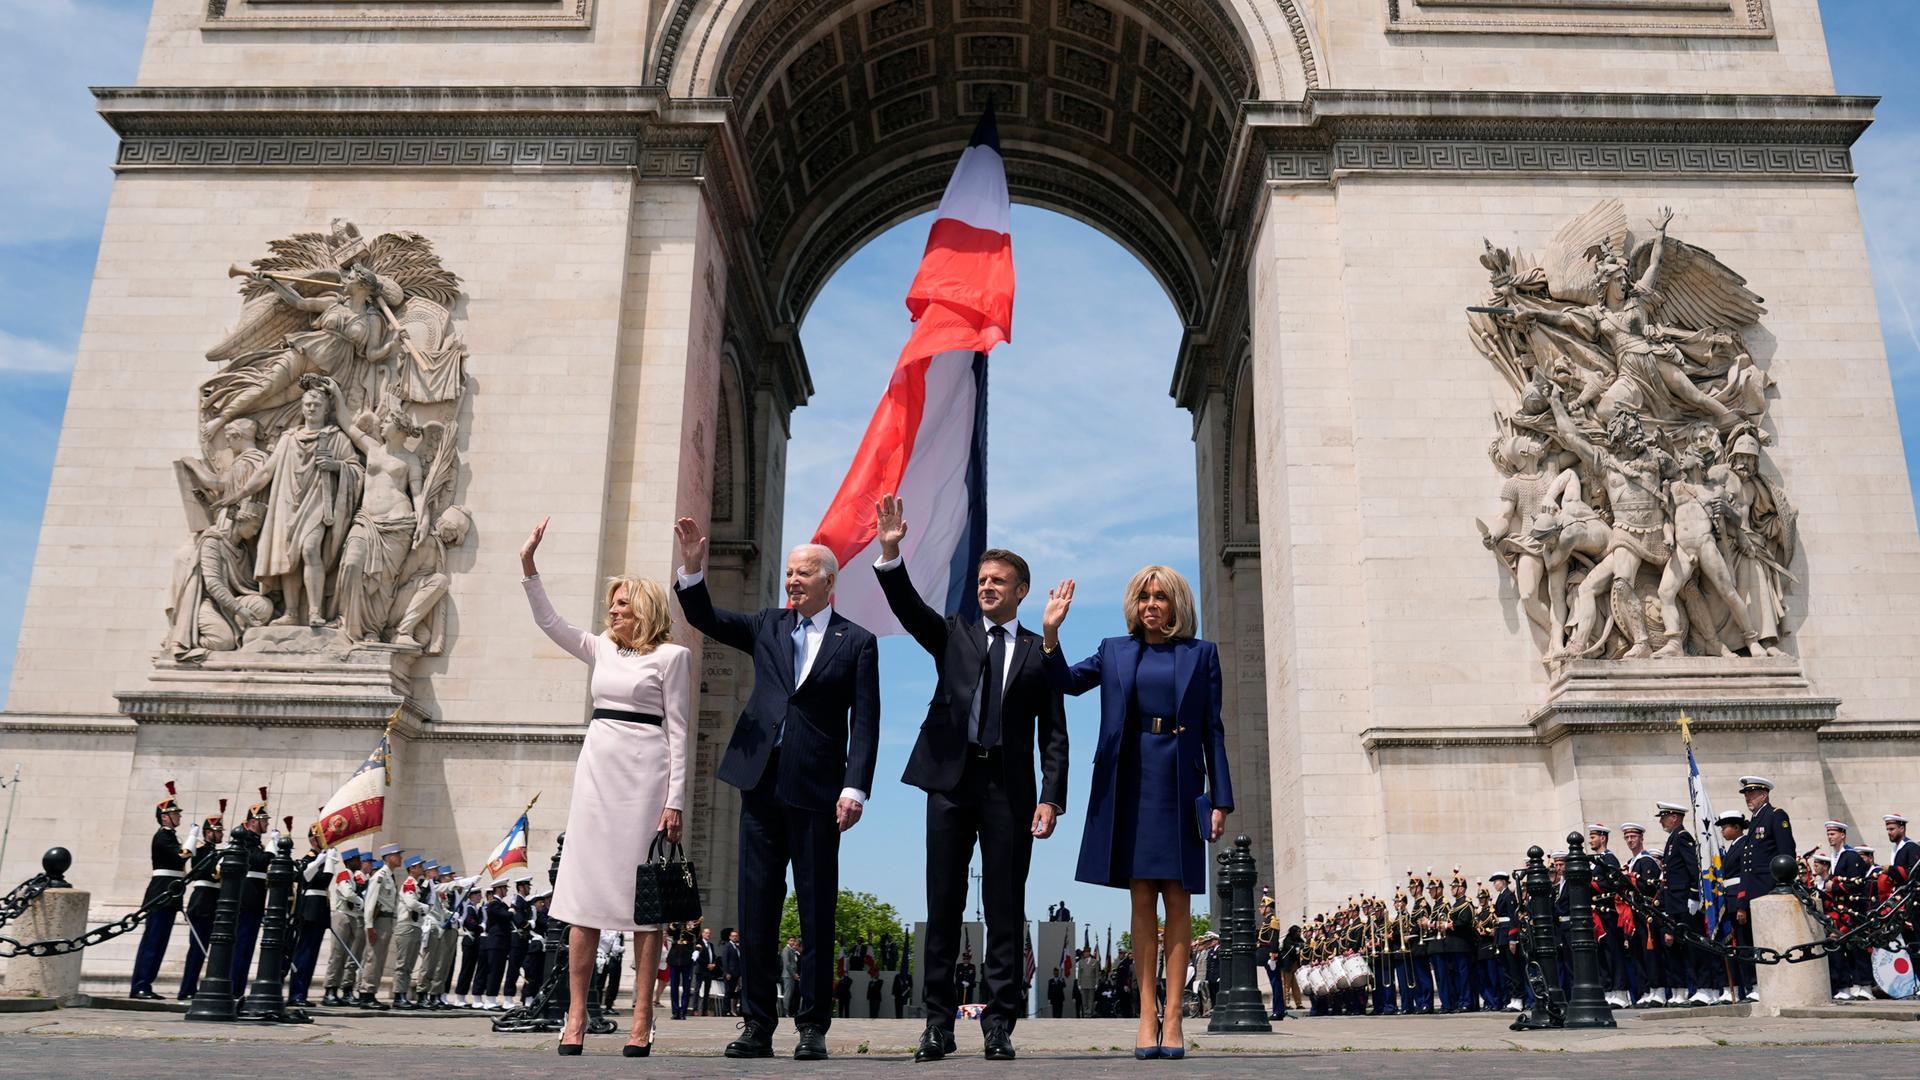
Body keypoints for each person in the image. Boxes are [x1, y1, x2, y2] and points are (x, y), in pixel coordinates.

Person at [671, 518, 881, 1061]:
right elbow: (705, 618)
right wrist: (694, 566)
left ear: (829, 582)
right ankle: (757, 1025)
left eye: (803, 572)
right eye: (788, 571)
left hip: (817, 791)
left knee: (816, 912)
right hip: (758, 782)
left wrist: (855, 788)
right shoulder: (767, 625)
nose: (792, 580)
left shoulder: (857, 643)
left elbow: (868, 723)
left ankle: (812, 1026)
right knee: (757, 909)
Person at [869, 495, 1069, 1062]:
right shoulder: (954, 632)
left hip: (1010, 790)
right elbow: (909, 609)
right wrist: (891, 553)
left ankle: (999, 1024)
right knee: (944, 903)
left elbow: (1054, 733)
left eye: (998, 581)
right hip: (951, 786)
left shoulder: (1038, 651)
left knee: (1005, 906)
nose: (986, 587)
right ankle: (937, 1023)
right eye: (982, 580)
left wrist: (1051, 798)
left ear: (1020, 591)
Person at [1039, 567, 1232, 1059]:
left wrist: (1221, 799)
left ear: (1176, 604)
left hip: (1181, 781)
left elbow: (1214, 730)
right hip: (1128, 780)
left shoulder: (1202, 654)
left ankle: (1174, 1017)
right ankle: (1146, 1014)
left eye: (1161, 597)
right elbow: (1062, 681)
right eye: (1144, 597)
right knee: (1142, 895)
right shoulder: (1113, 650)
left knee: (1179, 895)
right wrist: (1052, 632)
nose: (1151, 604)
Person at [521, 515, 687, 1056]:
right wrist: (529, 567)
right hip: (597, 770)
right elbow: (550, 622)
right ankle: (575, 1016)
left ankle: (641, 1018)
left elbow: (680, 732)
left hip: (646, 775)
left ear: (644, 608)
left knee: (644, 904)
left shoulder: (673, 657)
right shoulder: (598, 648)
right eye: (611, 604)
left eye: (621, 603)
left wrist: (675, 800)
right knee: (585, 898)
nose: (612, 611)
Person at [130, 781, 188, 1000]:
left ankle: (146, 984)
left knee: (159, 943)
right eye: (176, 815)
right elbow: (181, 856)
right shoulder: (162, 836)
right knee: (153, 942)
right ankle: (140, 985)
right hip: (161, 893)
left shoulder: (170, 836)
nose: (179, 818)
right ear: (165, 817)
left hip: (169, 894)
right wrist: (192, 839)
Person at [1654, 802, 1707, 1005]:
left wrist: (1694, 895)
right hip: (1675, 902)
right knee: (1679, 948)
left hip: (1685, 901)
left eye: (1664, 817)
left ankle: (1705, 987)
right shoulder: (1673, 839)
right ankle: (1684, 990)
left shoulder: (1682, 837)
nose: (1661, 821)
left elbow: (1693, 868)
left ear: (1674, 817)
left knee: (1694, 946)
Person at [177, 804, 227, 1000]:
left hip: (214, 902)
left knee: (206, 949)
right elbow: (206, 873)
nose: (221, 835)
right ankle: (187, 988)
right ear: (208, 833)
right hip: (202, 901)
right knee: (197, 949)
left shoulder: (215, 851)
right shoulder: (200, 850)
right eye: (218, 832)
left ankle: (195, 987)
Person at [228, 789, 274, 994]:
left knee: (247, 948)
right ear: (254, 821)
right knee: (240, 946)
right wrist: (273, 849)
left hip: (255, 899)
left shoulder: (255, 842)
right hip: (247, 899)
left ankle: (238, 987)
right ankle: (233, 987)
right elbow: (257, 861)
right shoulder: (246, 840)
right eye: (264, 820)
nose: (267, 824)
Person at [1586, 823, 1630, 1009]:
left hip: (1608, 911)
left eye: (1594, 837)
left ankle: (1620, 992)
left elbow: (1612, 883)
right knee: (1603, 954)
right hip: (1597, 912)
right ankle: (1609, 990)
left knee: (1614, 951)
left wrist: (1590, 885)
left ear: (1603, 838)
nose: (1591, 840)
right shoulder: (1596, 861)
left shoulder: (1609, 859)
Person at [286, 823, 330, 1006]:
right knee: (303, 955)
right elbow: (306, 878)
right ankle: (296, 994)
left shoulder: (323, 859)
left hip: (319, 912)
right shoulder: (308, 859)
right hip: (309, 912)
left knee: (311, 956)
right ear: (313, 840)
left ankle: (302, 994)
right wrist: (321, 861)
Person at [356, 843, 403, 1009]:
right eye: (397, 855)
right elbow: (370, 903)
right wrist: (369, 926)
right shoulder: (380, 876)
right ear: (389, 857)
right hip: (378, 921)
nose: (400, 858)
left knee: (380, 958)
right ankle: (366, 993)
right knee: (373, 957)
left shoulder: (389, 876)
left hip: (387, 920)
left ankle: (371, 993)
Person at [324, 848, 367, 1006]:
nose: (359, 862)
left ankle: (344, 989)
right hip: (343, 916)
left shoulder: (355, 876)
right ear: (349, 861)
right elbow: (348, 893)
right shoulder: (344, 874)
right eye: (356, 859)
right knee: (337, 955)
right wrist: (360, 900)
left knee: (349, 956)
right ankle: (330, 989)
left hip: (353, 917)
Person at [388, 854, 429, 1008]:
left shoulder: (417, 884)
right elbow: (411, 903)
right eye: (419, 866)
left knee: (410, 964)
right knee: (403, 963)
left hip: (415, 926)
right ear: (412, 869)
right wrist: (423, 907)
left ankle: (403, 994)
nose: (422, 869)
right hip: (406, 927)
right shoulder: (409, 883)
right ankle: (398, 996)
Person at [480, 879, 514, 1009]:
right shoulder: (494, 904)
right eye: (505, 888)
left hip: (501, 943)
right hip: (495, 943)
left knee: (498, 971)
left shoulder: (500, 904)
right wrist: (511, 912)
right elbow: (504, 916)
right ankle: (490, 1000)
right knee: (494, 971)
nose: (506, 891)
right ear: (499, 889)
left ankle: (492, 999)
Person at [667, 923, 697, 1020]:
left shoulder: (694, 920)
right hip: (675, 956)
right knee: (674, 987)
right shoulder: (675, 920)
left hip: (687, 956)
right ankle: (675, 1011)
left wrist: (697, 950)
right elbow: (670, 932)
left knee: (687, 986)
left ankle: (683, 1011)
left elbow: (699, 936)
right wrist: (676, 923)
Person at [696, 925, 719, 1016]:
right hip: (701, 970)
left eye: (709, 933)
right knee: (697, 990)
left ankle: (704, 1010)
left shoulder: (711, 945)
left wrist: (713, 964)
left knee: (707, 991)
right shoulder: (699, 943)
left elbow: (713, 956)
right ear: (702, 934)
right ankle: (695, 1009)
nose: (708, 934)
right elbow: (698, 957)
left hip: (709, 971)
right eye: (706, 933)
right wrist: (707, 965)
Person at [721, 929, 744, 1017]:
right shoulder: (728, 946)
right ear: (730, 937)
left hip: (737, 974)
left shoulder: (737, 947)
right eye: (733, 936)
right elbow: (725, 960)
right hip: (730, 973)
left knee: (735, 993)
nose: (735, 937)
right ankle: (725, 1011)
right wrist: (727, 972)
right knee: (728, 992)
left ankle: (733, 1010)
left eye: (736, 936)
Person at [781, 936, 802, 1018]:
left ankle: (789, 1011)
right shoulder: (786, 950)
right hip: (788, 975)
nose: (793, 942)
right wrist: (794, 974)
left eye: (794, 941)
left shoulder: (792, 950)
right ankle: (785, 1012)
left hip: (792, 975)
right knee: (787, 994)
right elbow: (787, 964)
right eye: (791, 940)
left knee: (791, 995)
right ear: (787, 941)